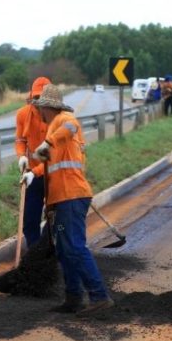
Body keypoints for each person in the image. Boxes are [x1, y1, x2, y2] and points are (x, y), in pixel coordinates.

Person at [20, 84, 113, 316]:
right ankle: (73, 298)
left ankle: (99, 296)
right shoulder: (54, 127)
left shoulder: (64, 118)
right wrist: (34, 172)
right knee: (63, 248)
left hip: (72, 198)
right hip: (62, 201)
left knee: (74, 246)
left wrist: (48, 142)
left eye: (40, 108)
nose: (38, 112)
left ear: (47, 107)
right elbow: (53, 166)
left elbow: (72, 126)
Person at [15, 76, 52, 249]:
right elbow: (20, 139)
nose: (38, 102)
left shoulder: (57, 117)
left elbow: (54, 154)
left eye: (42, 98)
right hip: (32, 175)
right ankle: (35, 255)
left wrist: (36, 171)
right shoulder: (23, 114)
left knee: (57, 220)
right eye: (36, 97)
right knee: (29, 220)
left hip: (54, 173)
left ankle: (51, 250)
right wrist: (21, 155)